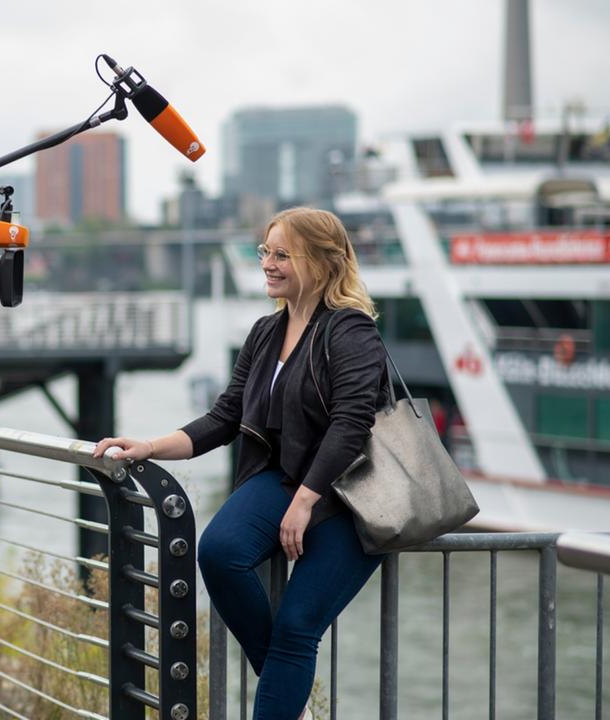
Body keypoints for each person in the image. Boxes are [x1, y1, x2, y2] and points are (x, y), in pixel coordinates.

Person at [94, 207, 389, 720]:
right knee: (220, 551)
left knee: (298, 626)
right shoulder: (265, 332)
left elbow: (351, 424)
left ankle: (283, 687)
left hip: (351, 496)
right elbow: (226, 416)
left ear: (321, 262)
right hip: (282, 477)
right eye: (264, 252)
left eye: (282, 254)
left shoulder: (350, 330)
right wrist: (149, 446)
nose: (268, 264)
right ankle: (287, 688)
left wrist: (304, 500)